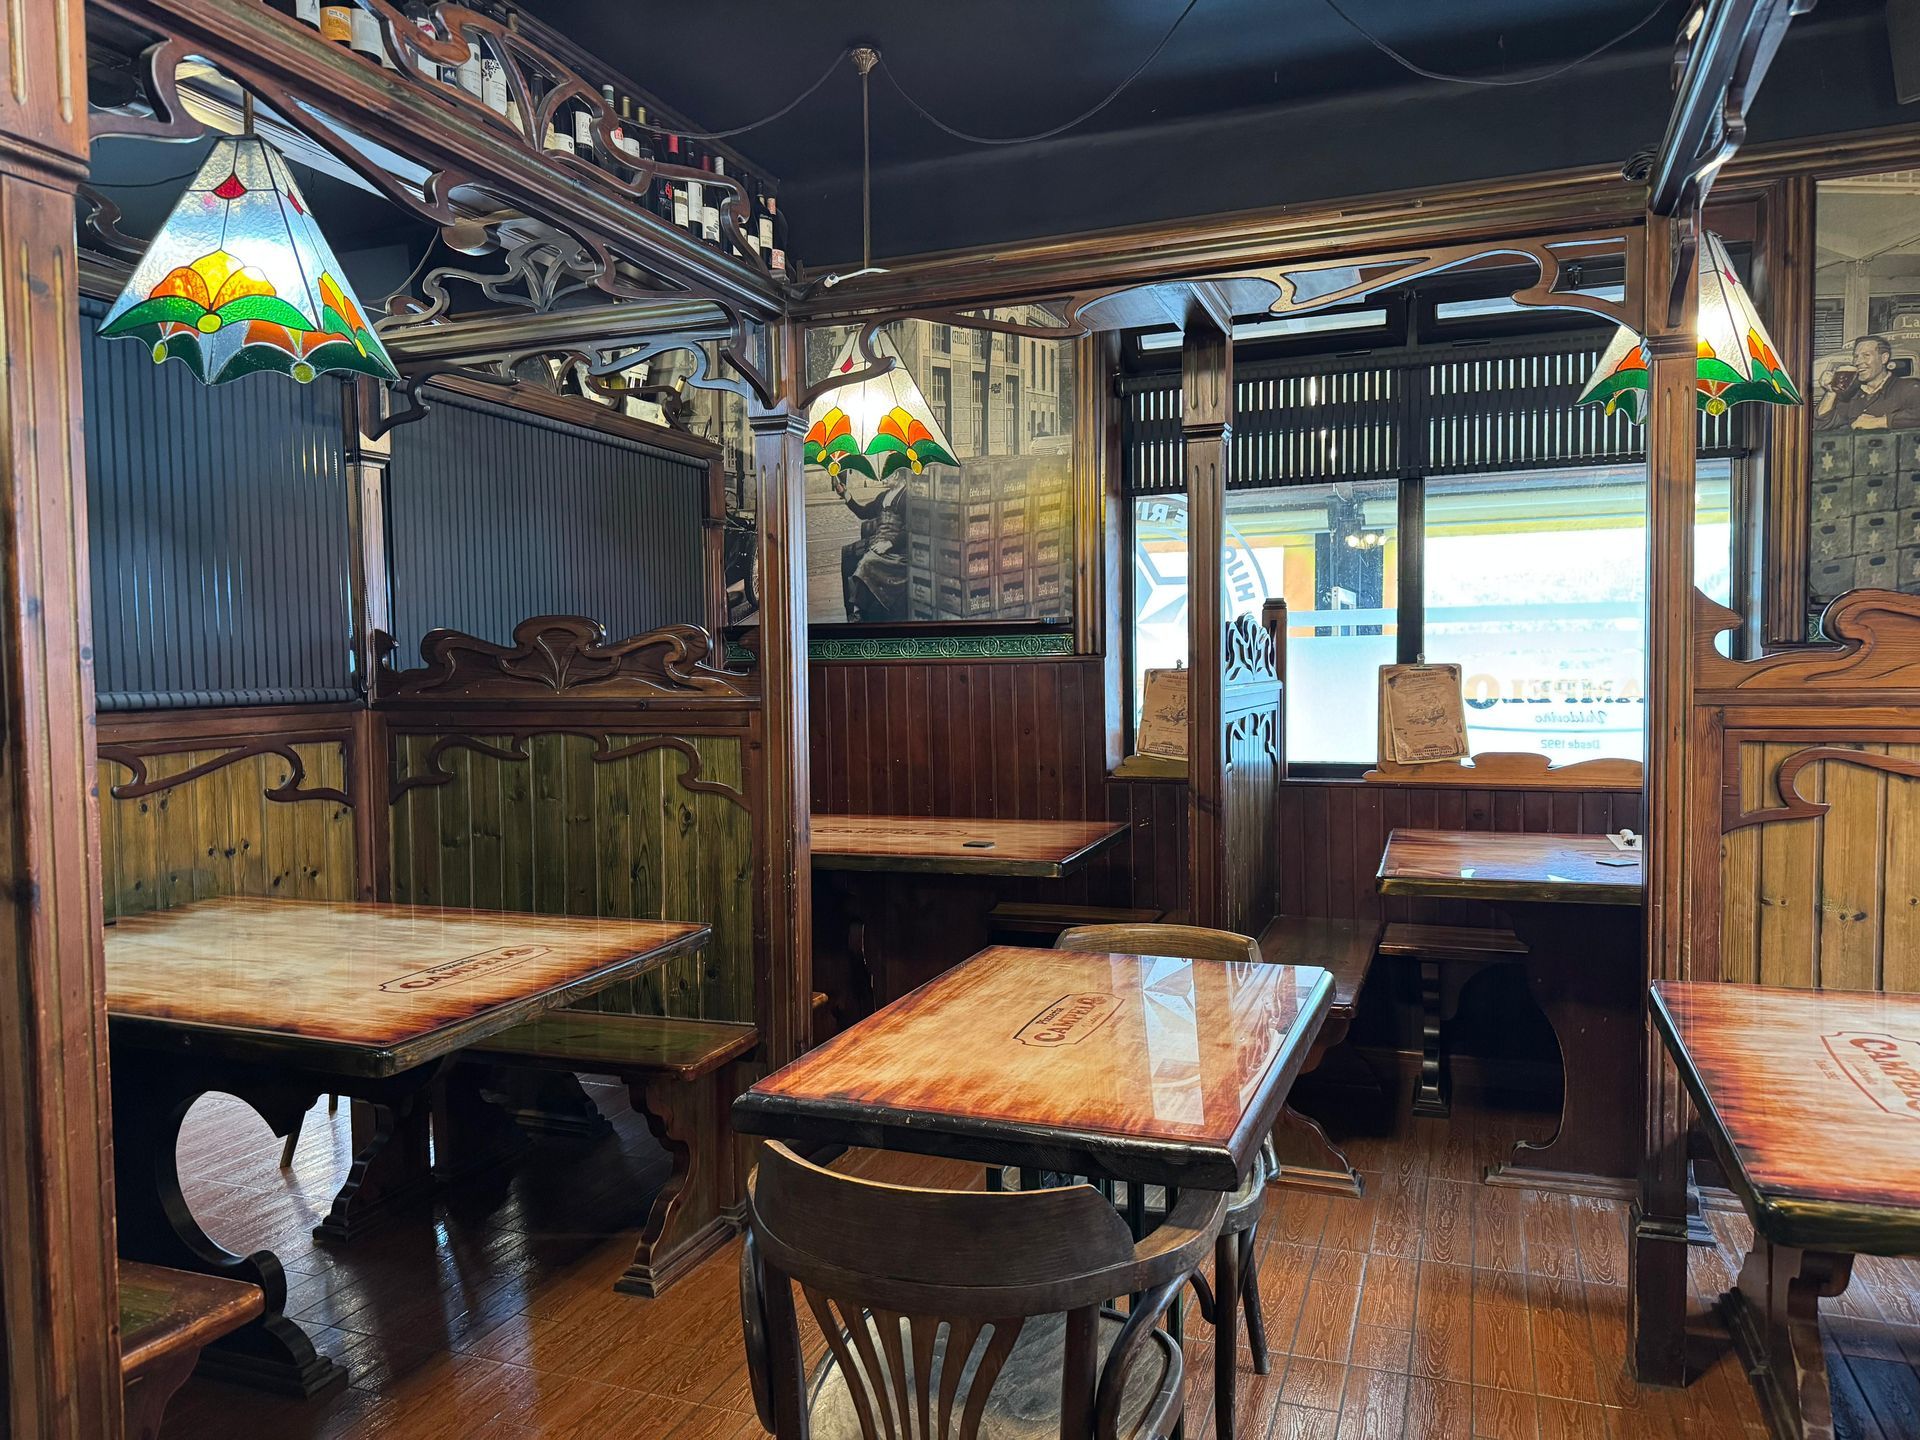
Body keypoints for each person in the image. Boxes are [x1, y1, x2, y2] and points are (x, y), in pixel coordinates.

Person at [835, 475, 910, 622]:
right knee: (849, 559)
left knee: (866, 563)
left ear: (896, 475)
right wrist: (845, 493)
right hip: (877, 544)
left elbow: (910, 528)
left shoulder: (907, 497)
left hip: (897, 550)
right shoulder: (883, 496)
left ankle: (859, 611)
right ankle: (850, 609)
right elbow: (863, 512)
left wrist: (889, 544)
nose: (882, 478)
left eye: (886, 474)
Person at [1814, 334, 1920, 431]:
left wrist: (1877, 422)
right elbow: (1821, 425)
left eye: (1866, 355)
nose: (1857, 362)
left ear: (1884, 358)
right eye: (1856, 357)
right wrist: (1831, 392)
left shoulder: (1908, 388)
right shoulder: (1853, 395)